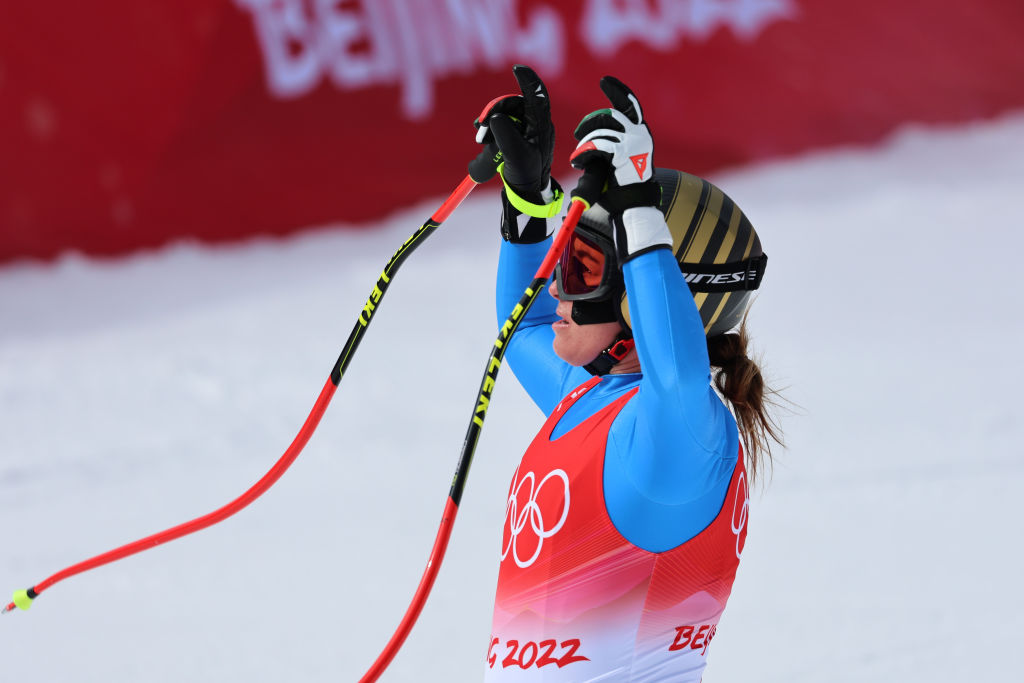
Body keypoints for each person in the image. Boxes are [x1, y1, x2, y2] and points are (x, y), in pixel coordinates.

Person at [473, 65, 782, 682]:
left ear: (650, 297)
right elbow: (524, 327)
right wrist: (531, 203)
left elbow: (676, 373)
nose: (555, 288)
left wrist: (638, 206)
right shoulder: (595, 399)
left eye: (583, 267)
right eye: (562, 257)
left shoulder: (686, 437)